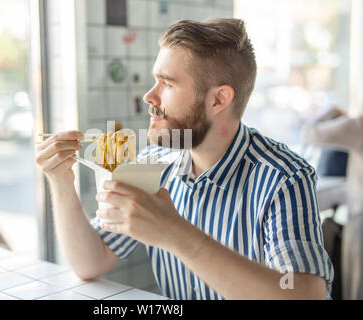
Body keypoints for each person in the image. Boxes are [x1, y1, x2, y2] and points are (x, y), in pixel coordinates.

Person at [35, 18, 333, 300]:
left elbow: (302, 292)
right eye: (155, 80)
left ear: (218, 99)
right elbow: (91, 260)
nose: (149, 97)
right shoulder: (154, 162)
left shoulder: (285, 177)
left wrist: (175, 233)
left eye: (167, 83)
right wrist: (60, 180)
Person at [303, 108, 363, 300]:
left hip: (359, 224)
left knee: (355, 289)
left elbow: (309, 133)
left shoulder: (357, 127)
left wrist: (331, 113)